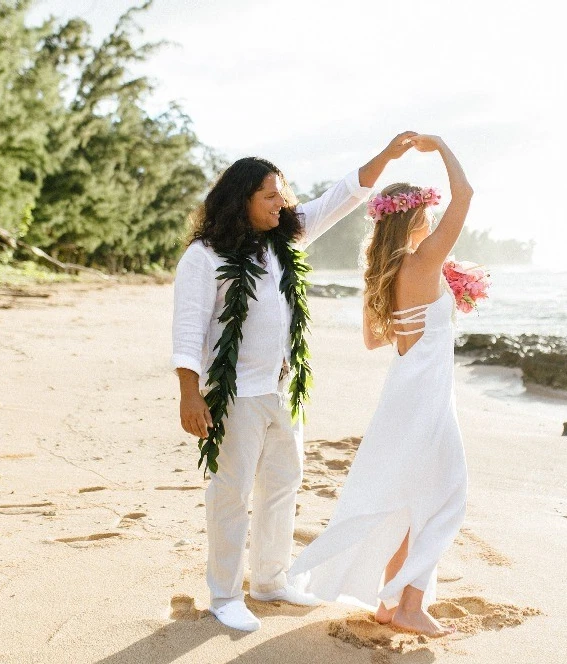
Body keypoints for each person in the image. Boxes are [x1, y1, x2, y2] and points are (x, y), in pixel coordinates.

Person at [171, 132, 418, 632]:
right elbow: (188, 327)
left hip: (284, 391)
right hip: (234, 395)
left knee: (283, 488)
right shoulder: (204, 255)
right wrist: (189, 393)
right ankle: (223, 595)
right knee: (230, 495)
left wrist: (387, 157)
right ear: (241, 201)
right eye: (270, 195)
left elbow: (340, 197)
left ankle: (269, 580)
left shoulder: (285, 239)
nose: (281, 203)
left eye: (282, 194)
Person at [287, 134, 473, 637]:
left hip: (403, 393)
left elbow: (375, 339)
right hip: (428, 397)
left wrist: (425, 312)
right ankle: (409, 604)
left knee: (408, 497)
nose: (433, 222)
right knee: (442, 496)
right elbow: (466, 195)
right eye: (427, 214)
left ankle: (392, 603)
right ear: (415, 218)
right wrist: (442, 148)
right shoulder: (424, 260)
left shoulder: (384, 272)